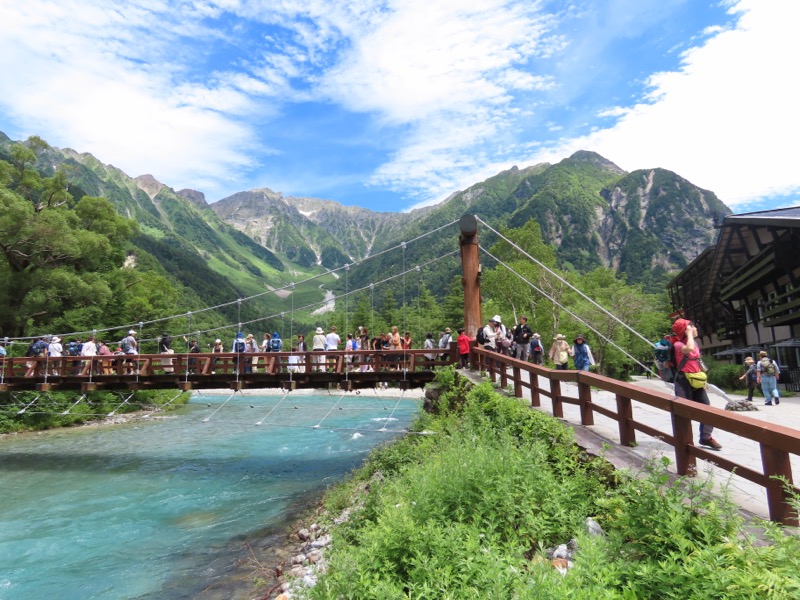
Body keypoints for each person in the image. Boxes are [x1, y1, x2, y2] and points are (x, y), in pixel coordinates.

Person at [671, 318, 721, 450]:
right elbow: (689, 349)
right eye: (692, 327)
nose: (696, 329)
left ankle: (706, 437)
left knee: (707, 409)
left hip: (696, 380)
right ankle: (682, 439)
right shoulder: (678, 345)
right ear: (686, 330)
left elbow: (696, 362)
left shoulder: (694, 344)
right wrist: (687, 334)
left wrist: (703, 381)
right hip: (683, 381)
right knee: (683, 410)